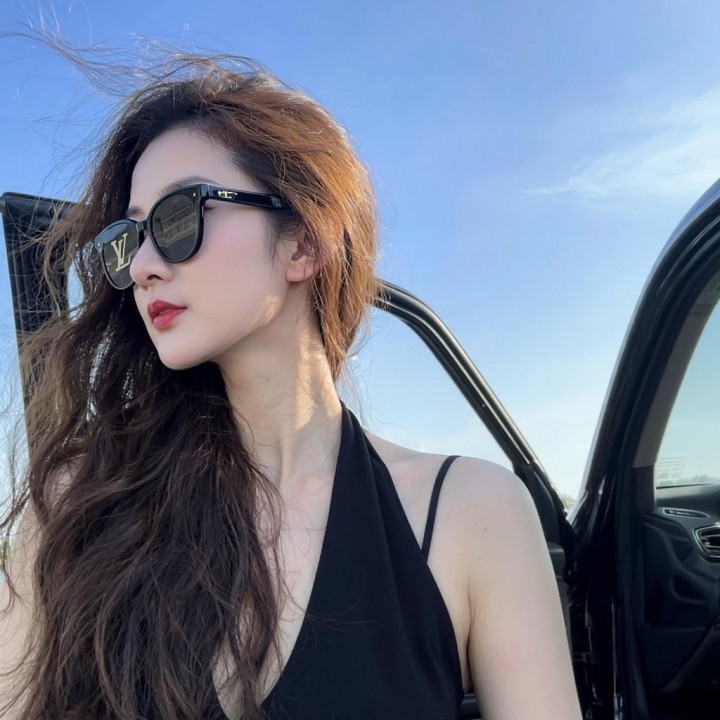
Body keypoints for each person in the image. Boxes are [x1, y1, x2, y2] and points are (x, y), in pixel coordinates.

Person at [0, 54, 582, 720]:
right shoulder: (77, 503)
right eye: (129, 238)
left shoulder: (470, 512)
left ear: (305, 243)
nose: (143, 266)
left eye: (178, 217)